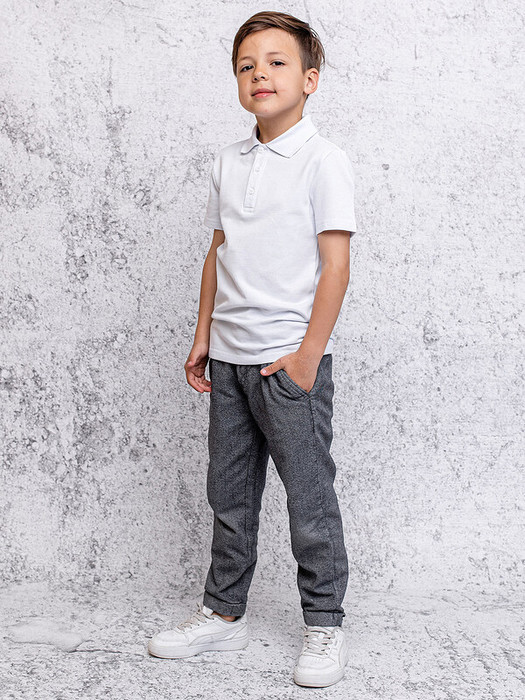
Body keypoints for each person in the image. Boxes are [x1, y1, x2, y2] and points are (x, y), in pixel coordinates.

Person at [148, 10, 357, 688]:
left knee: (309, 499)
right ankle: (223, 613)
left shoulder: (323, 160)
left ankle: (323, 622)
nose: (259, 74)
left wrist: (306, 359)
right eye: (246, 65)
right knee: (229, 495)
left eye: (276, 61)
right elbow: (219, 252)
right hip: (230, 359)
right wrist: (203, 334)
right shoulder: (227, 162)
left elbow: (336, 266)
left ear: (310, 79)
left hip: (287, 364)